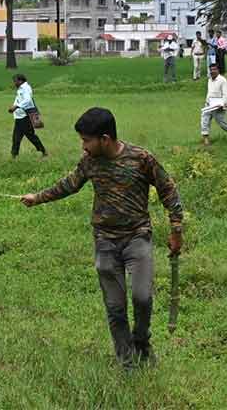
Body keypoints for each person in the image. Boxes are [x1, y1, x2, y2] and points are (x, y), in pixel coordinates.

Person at [19, 108, 183, 368]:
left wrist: (176, 230)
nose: (83, 147)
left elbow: (168, 190)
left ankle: (141, 342)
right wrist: (37, 197)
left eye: (86, 140)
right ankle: (127, 363)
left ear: (105, 139)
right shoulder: (89, 162)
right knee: (116, 308)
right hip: (105, 241)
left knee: (142, 297)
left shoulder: (141, 159)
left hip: (137, 237)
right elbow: (69, 185)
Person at [201, 64, 227, 145]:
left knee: (222, 123)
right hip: (209, 104)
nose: (212, 71)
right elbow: (209, 92)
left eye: (214, 69)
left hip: (218, 105)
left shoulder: (222, 80)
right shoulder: (209, 79)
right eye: (211, 70)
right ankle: (206, 139)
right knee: (204, 120)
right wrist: (207, 101)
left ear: (218, 70)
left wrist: (222, 105)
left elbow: (225, 94)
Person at [10, 74, 47, 158]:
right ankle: (14, 154)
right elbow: (19, 100)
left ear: (20, 81)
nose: (14, 83)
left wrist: (16, 106)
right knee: (18, 136)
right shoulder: (21, 89)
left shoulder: (26, 88)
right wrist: (14, 107)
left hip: (25, 116)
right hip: (20, 116)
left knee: (27, 136)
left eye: (15, 81)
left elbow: (27, 100)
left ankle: (43, 151)